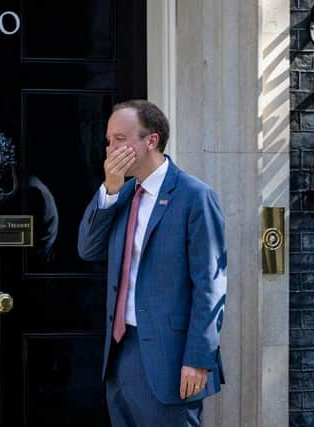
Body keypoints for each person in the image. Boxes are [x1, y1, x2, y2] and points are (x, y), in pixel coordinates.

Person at [77, 100, 226, 426]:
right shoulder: (123, 194)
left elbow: (210, 286)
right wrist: (109, 190)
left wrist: (199, 359)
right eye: (108, 141)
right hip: (121, 352)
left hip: (171, 358)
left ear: (151, 140)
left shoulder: (194, 196)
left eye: (119, 139)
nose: (110, 149)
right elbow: (88, 249)